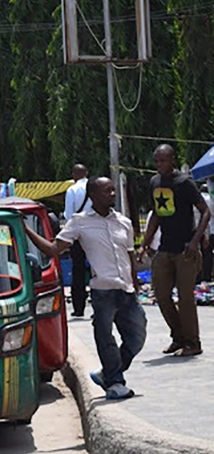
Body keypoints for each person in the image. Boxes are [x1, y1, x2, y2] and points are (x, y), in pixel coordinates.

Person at [25, 177, 146, 399]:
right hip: (103, 291)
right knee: (105, 336)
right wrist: (26, 230)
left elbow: (129, 256)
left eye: (112, 190)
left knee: (137, 338)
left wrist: (135, 284)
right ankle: (115, 383)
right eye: (107, 191)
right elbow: (54, 250)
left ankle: (108, 373)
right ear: (92, 196)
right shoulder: (79, 222)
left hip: (126, 290)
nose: (113, 194)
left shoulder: (123, 222)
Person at [139, 145, 209, 357]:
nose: (159, 165)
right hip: (165, 248)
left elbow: (205, 212)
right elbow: (156, 215)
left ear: (172, 160)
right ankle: (178, 337)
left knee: (186, 298)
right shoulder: (155, 182)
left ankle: (193, 342)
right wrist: (144, 243)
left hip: (185, 249)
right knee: (161, 294)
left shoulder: (184, 183)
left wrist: (195, 240)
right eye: (156, 161)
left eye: (163, 160)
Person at [64, 164, 92, 318]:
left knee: (78, 270)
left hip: (78, 234)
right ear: (86, 173)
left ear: (74, 174)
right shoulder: (95, 187)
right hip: (95, 232)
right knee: (97, 270)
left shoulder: (72, 190)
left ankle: (79, 307)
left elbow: (69, 215)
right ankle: (98, 306)